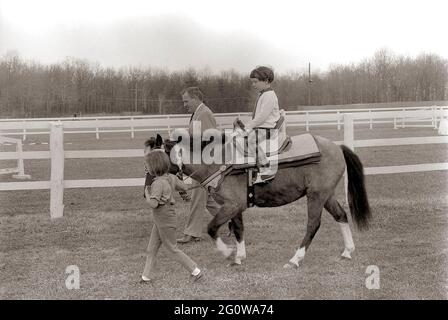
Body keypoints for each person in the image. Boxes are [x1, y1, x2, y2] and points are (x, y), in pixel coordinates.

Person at [141, 151, 204, 283]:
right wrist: (175, 179)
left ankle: (196, 271)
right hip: (163, 219)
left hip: (164, 219)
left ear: (154, 167)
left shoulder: (157, 183)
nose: (146, 168)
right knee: (152, 248)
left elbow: (153, 204)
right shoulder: (171, 177)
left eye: (147, 166)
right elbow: (184, 187)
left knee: (171, 249)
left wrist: (147, 193)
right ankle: (145, 277)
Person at [176, 87, 221, 244]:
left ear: (196, 98)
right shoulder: (197, 114)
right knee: (207, 200)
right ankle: (232, 219)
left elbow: (211, 141)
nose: (185, 105)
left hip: (205, 164)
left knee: (197, 198)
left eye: (186, 101)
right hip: (200, 163)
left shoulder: (204, 114)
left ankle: (192, 233)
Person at [237, 66, 280, 183]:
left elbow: (261, 117)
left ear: (266, 81)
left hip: (267, 129)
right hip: (262, 127)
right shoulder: (264, 94)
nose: (253, 84)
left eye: (255, 82)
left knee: (250, 140)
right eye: (252, 82)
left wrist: (247, 128)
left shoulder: (269, 95)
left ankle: (266, 169)